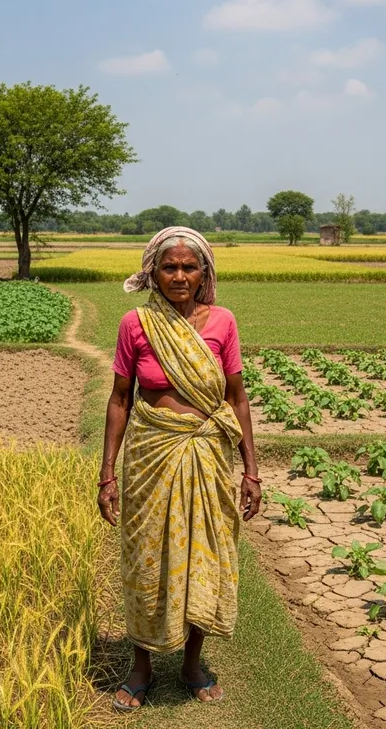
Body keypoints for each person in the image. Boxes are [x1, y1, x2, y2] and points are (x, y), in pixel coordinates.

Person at [97, 226, 261, 712]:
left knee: (204, 556)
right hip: (151, 455)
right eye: (170, 267)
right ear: (153, 271)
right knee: (148, 556)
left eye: (190, 267)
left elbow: (237, 398)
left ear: (205, 273)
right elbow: (120, 400)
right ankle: (142, 665)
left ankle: (192, 662)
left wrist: (251, 470)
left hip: (209, 455)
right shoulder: (136, 324)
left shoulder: (224, 323)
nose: (180, 276)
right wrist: (108, 473)